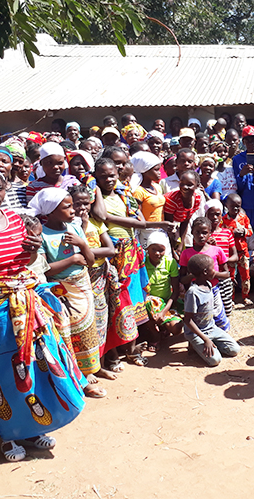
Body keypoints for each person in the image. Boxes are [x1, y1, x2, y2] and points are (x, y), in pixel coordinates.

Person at [0, 165, 85, 462]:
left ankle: (35, 426)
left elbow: (26, 261)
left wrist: (34, 249)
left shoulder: (14, 219)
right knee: (3, 374)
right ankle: (9, 435)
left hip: (25, 306)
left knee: (33, 367)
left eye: (0, 187)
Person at [92, 157, 172, 369]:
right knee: (116, 305)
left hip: (131, 252)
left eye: (112, 175)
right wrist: (99, 194)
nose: (108, 179)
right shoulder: (95, 194)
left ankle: (132, 350)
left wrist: (130, 221)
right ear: (95, 176)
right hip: (114, 253)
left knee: (134, 303)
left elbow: (138, 220)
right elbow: (101, 215)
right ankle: (113, 356)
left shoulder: (123, 193)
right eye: (102, 176)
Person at [28, 188, 105, 399]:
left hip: (82, 283)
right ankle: (76, 376)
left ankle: (89, 369)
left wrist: (81, 244)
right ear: (51, 211)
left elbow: (89, 260)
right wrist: (71, 259)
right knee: (66, 332)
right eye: (67, 207)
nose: (73, 210)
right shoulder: (41, 233)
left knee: (88, 328)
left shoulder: (74, 228)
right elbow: (45, 268)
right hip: (59, 288)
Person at [69, 184, 117, 380]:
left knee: (100, 321)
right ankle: (85, 370)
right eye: (77, 204)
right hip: (79, 279)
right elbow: (74, 254)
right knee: (82, 325)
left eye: (85, 204)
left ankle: (99, 365)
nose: (82, 208)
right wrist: (81, 232)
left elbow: (111, 249)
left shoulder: (96, 224)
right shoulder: (69, 227)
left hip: (99, 276)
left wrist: (86, 250)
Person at [182, 254, 241, 367]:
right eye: (213, 268)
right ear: (205, 272)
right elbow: (188, 320)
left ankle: (208, 345)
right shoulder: (193, 293)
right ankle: (195, 345)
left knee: (234, 350)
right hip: (197, 333)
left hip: (211, 328)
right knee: (215, 360)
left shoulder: (209, 285)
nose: (215, 271)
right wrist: (205, 340)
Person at [179, 217, 231, 332]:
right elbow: (182, 279)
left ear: (210, 233)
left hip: (214, 290)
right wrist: (194, 275)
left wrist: (214, 274)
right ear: (192, 232)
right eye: (197, 232)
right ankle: (198, 340)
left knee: (218, 316)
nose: (201, 236)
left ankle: (221, 336)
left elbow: (227, 274)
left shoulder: (217, 250)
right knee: (199, 318)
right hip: (195, 293)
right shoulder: (186, 253)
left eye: (204, 233)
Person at [143, 231, 183, 346]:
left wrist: (163, 312)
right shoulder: (143, 263)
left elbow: (175, 292)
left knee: (176, 329)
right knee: (149, 302)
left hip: (167, 303)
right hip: (148, 302)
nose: (157, 253)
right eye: (153, 249)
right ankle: (155, 335)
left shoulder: (170, 262)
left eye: (161, 250)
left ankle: (163, 326)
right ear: (148, 249)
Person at [206, 199, 238, 317]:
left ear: (222, 216)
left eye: (217, 214)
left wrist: (222, 259)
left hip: (224, 275)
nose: (214, 217)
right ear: (206, 215)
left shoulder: (227, 233)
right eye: (211, 214)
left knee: (226, 308)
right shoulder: (204, 235)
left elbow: (235, 256)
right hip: (210, 275)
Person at [130, 151, 168, 249]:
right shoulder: (138, 191)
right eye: (156, 170)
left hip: (160, 231)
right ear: (145, 171)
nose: (159, 173)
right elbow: (138, 218)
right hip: (146, 233)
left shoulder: (156, 187)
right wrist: (161, 224)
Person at [163, 170, 207, 253]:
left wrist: (181, 244)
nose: (184, 187)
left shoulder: (197, 198)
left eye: (189, 185)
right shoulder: (172, 200)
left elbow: (186, 221)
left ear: (197, 186)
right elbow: (168, 227)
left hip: (175, 227)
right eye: (182, 183)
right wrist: (173, 250)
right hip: (164, 227)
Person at [222, 193, 253, 304]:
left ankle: (246, 296)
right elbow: (222, 234)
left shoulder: (243, 218)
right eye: (233, 206)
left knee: (245, 275)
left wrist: (243, 232)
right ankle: (231, 298)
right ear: (227, 206)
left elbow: (250, 231)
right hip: (230, 253)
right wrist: (232, 233)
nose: (235, 209)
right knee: (231, 276)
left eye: (238, 206)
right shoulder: (224, 220)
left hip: (243, 252)